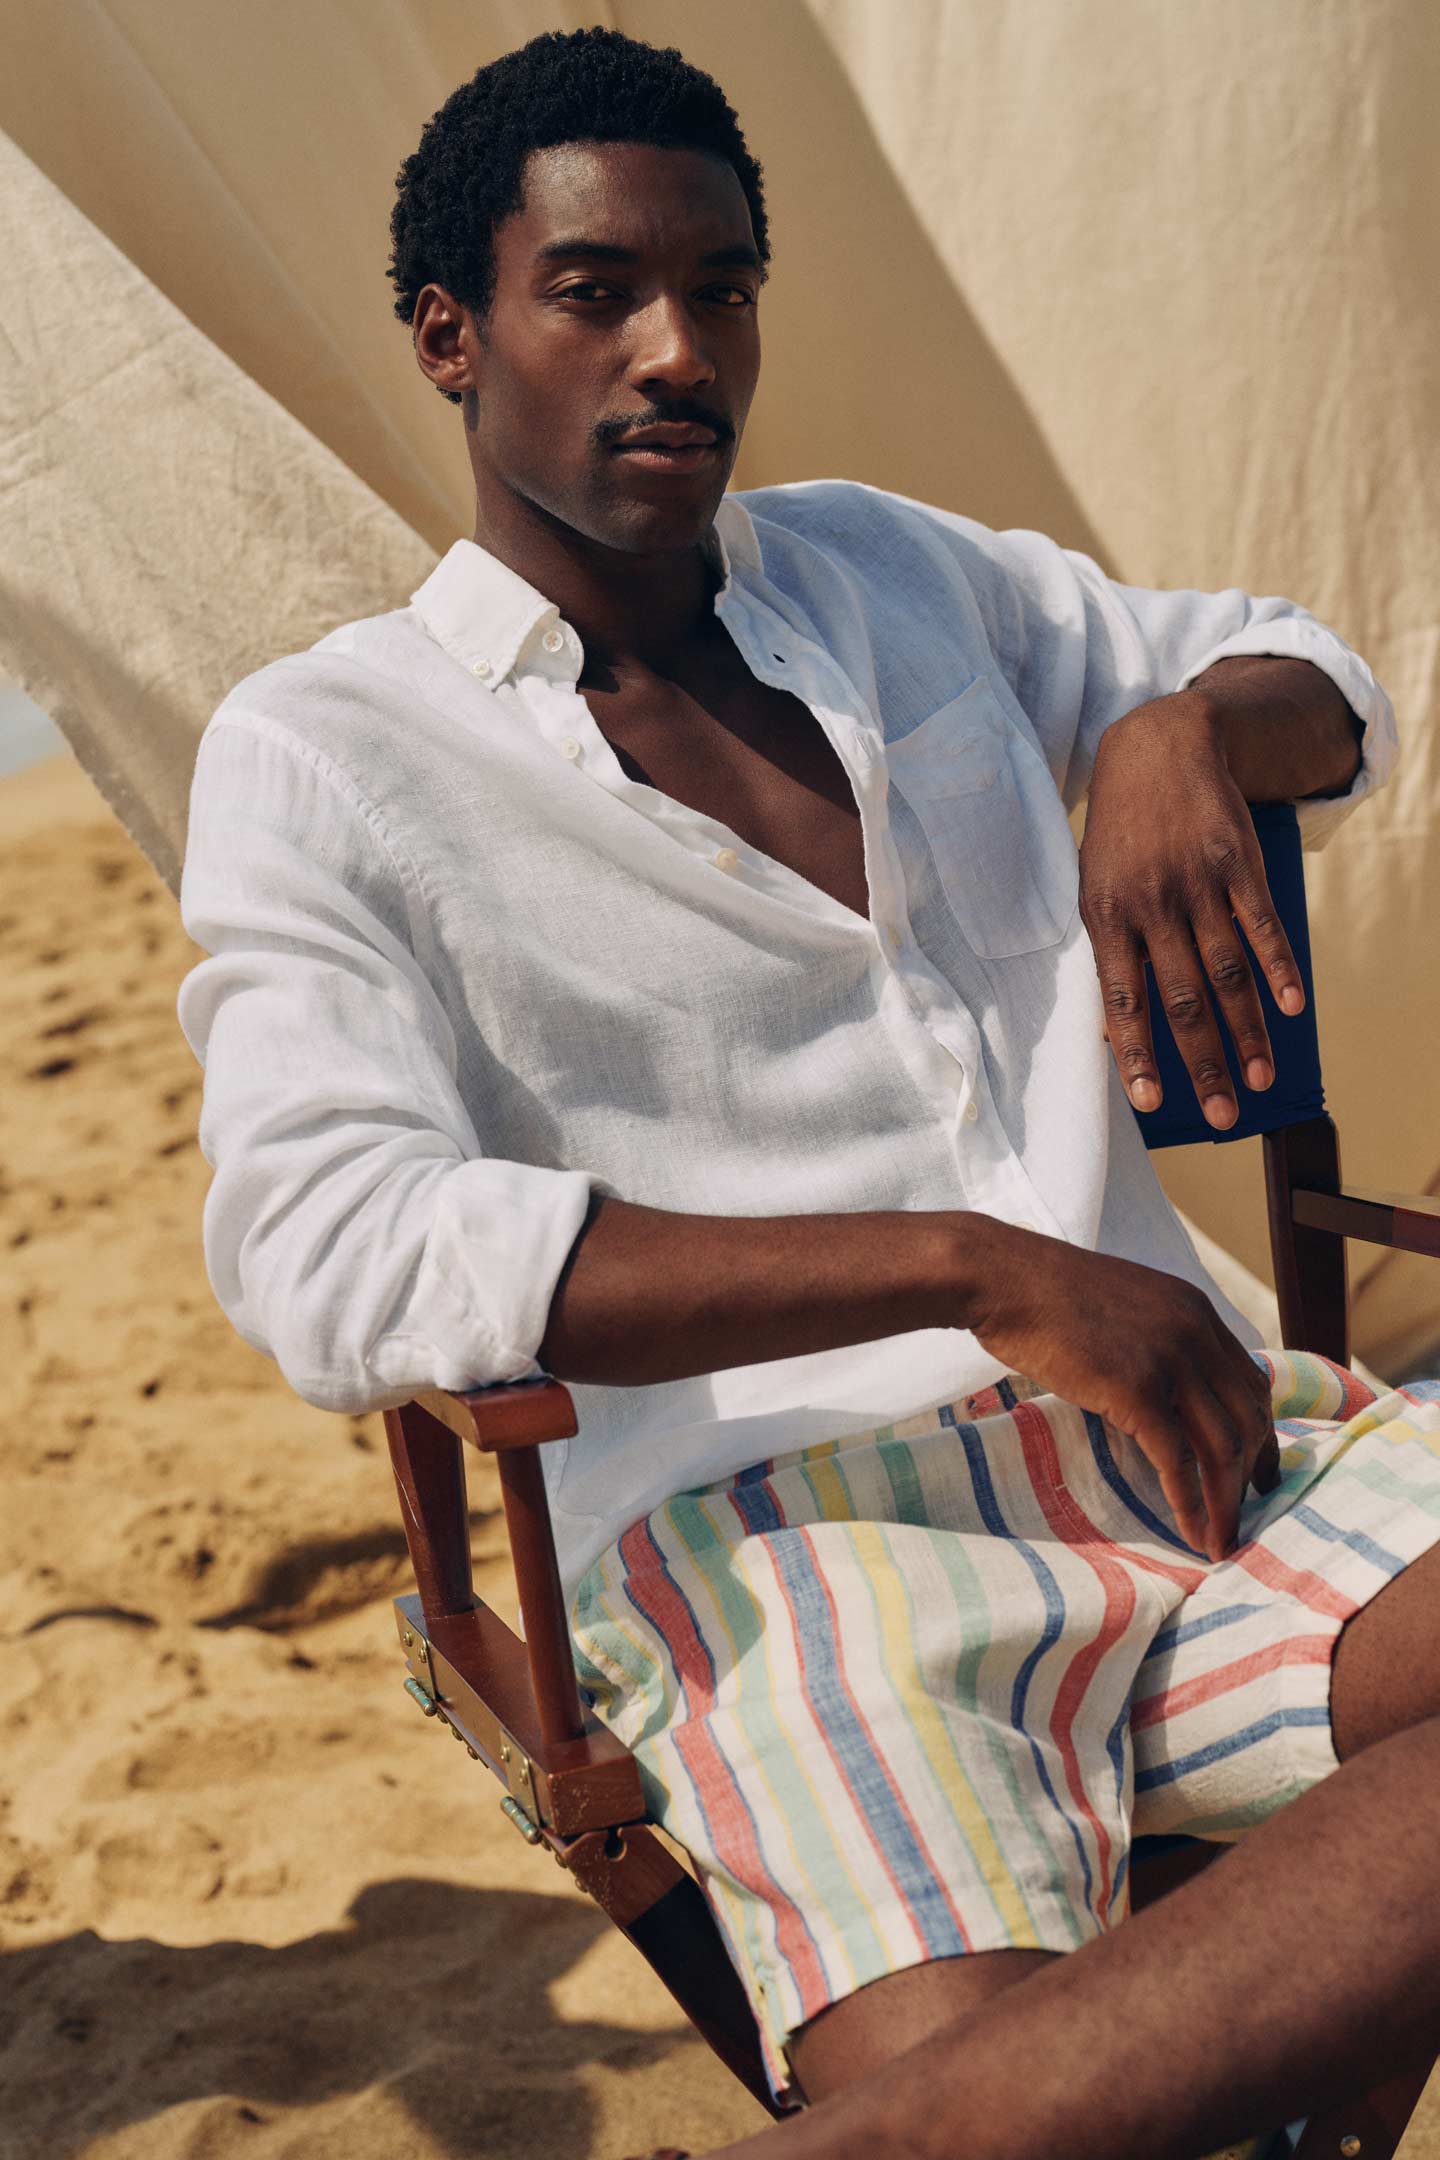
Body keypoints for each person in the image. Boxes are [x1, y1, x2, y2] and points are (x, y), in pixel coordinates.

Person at [175, 27, 1440, 2159]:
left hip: (1202, 1443)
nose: (678, 350)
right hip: (794, 1568)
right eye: (596, 292)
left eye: (724, 286)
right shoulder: (332, 750)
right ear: (449, 337)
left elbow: (1324, 676)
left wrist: (1172, 731)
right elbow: (329, 1246)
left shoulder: (895, 576)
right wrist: (972, 1266)